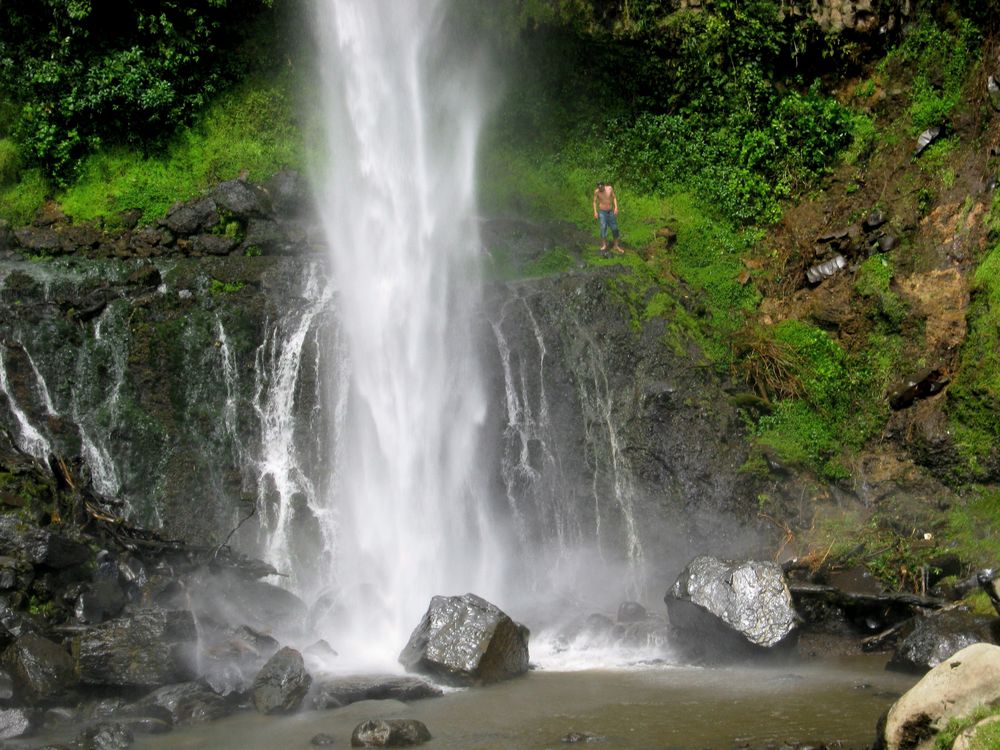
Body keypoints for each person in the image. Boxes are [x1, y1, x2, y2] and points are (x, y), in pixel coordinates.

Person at [592, 182, 622, 254]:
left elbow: (614, 197)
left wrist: (616, 208)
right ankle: (604, 245)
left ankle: (616, 245)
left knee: (615, 228)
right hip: (602, 212)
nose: (600, 189)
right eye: (599, 187)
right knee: (603, 227)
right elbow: (594, 202)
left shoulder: (609, 188)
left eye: (601, 187)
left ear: (604, 186)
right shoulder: (597, 192)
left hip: (610, 212)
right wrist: (595, 212)